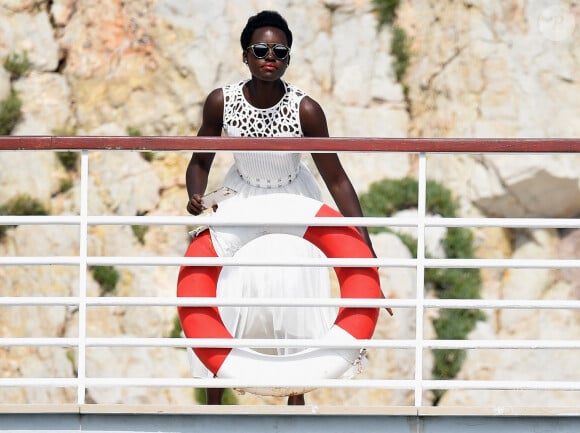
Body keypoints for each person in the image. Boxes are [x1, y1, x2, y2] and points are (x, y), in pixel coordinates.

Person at [183, 10, 391, 406]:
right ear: (245, 55)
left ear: (288, 59)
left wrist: (367, 254)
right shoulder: (221, 102)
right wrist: (196, 195)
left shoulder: (305, 109)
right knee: (228, 293)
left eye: (280, 52)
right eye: (260, 50)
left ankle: (296, 404)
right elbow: (199, 162)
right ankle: (213, 407)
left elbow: (338, 179)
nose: (270, 58)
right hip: (239, 197)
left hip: (296, 201)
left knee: (294, 296)